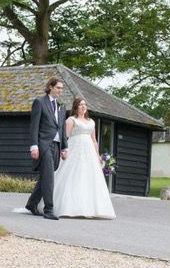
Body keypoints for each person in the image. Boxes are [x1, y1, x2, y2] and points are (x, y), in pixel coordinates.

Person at [53, 97, 116, 219]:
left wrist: (97, 155)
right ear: (76, 107)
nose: (83, 106)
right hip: (74, 150)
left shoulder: (91, 122)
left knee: (89, 177)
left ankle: (91, 208)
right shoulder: (71, 120)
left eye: (85, 105)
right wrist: (63, 151)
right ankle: (67, 208)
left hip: (89, 153)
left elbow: (94, 140)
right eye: (81, 105)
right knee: (72, 175)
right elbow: (65, 137)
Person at [26, 76, 69, 220]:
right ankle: (49, 209)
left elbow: (62, 128)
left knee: (47, 175)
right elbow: (34, 126)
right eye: (58, 88)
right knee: (49, 176)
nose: (60, 91)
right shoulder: (39, 102)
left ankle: (32, 203)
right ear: (50, 87)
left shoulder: (61, 105)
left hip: (56, 146)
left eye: (61, 89)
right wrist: (34, 146)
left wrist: (65, 148)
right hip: (44, 144)